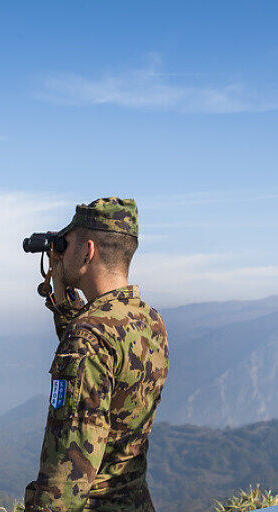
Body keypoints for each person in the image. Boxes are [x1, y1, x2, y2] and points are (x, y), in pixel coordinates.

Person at [23, 197, 169, 512]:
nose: (60, 253)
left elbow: (66, 483)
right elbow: (98, 360)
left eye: (66, 243)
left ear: (88, 250)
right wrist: (61, 296)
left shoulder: (88, 338)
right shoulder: (149, 321)